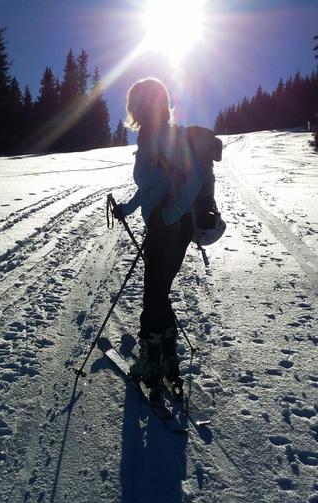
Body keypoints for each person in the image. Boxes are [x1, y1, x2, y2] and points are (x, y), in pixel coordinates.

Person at [113, 77, 224, 397]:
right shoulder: (150, 137)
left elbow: (196, 175)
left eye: (140, 101)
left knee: (153, 294)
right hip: (163, 225)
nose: (136, 107)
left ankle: (152, 361)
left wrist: (171, 214)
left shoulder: (167, 136)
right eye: (135, 102)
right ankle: (168, 356)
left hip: (173, 227)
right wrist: (129, 208)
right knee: (157, 292)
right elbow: (150, 185)